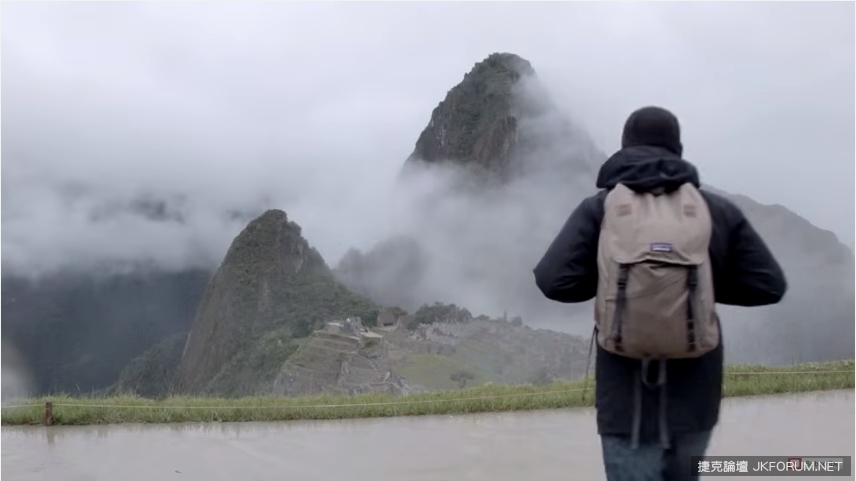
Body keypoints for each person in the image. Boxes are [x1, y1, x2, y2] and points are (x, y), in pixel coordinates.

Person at [532, 106, 787, 481]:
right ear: (677, 149)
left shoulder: (599, 209)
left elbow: (554, 281)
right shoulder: (714, 211)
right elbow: (769, 285)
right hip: (695, 398)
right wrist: (696, 287)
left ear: (624, 148)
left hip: (624, 404)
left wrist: (614, 283)